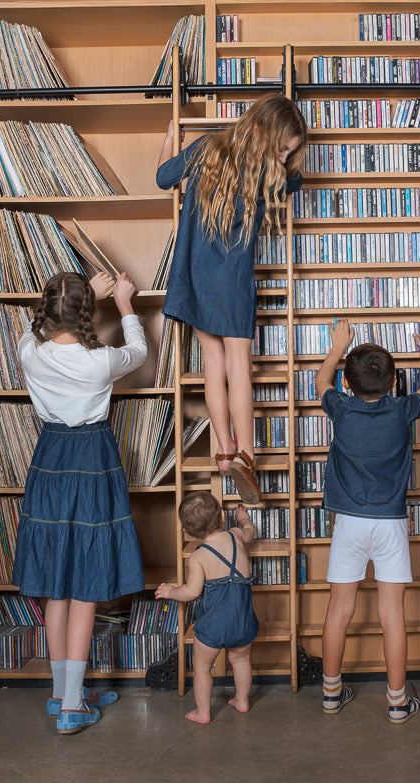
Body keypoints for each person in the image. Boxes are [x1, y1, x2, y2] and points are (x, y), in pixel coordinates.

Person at [12, 270, 147, 733]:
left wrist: (81, 291)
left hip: (49, 457)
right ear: (86, 313)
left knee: (57, 582)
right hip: (91, 458)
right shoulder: (99, 362)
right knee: (86, 581)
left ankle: (60, 693)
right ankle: (72, 706)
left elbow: (32, 326)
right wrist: (123, 302)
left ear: (48, 310)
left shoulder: (29, 350)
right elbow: (139, 351)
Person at [156, 94, 307, 505]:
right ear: (261, 130)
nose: (284, 156)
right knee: (240, 366)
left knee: (213, 366)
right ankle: (247, 455)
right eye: (283, 147)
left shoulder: (207, 147)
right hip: (235, 279)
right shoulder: (270, 171)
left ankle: (224, 451)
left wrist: (172, 136)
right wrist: (283, 163)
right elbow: (297, 181)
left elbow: (162, 177)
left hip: (195, 276)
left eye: (289, 152)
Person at [317, 318, 420, 723]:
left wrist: (338, 346)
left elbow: (321, 383)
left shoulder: (342, 407)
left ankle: (332, 694)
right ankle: (397, 702)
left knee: (339, 611)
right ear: (394, 383)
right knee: (392, 615)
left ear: (348, 385)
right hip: (390, 523)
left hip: (349, 524)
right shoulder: (404, 410)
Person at [156, 493, 259, 724]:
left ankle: (203, 712)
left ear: (188, 531)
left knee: (202, 666)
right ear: (222, 516)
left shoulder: (199, 556)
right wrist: (243, 519)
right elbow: (250, 532)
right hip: (242, 621)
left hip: (213, 625)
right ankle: (242, 701)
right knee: (241, 661)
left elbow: (191, 592)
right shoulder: (236, 536)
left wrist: (171, 592)